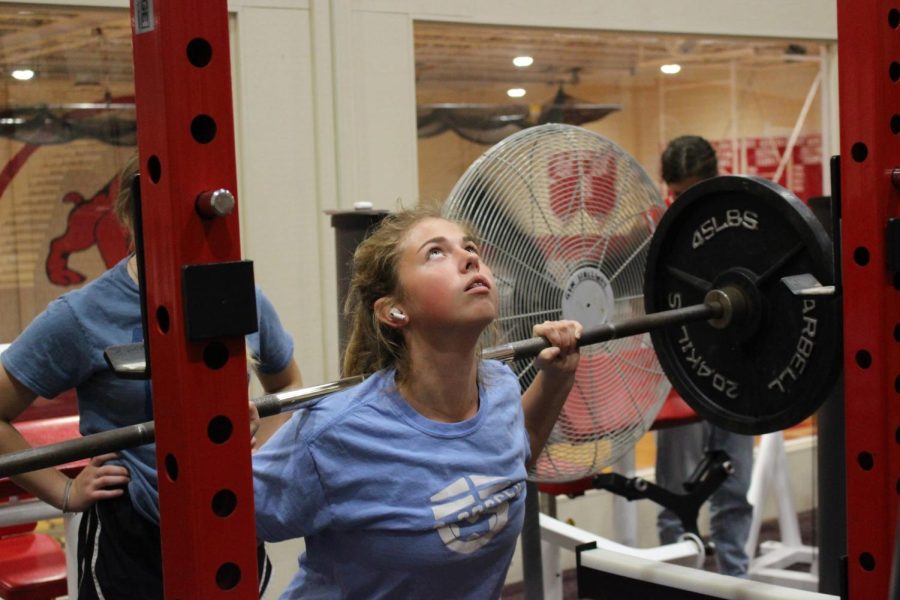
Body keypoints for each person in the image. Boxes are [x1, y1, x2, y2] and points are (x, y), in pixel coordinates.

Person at [0, 152, 302, 599]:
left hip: (229, 516)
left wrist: (258, 455)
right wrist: (63, 491)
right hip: (129, 536)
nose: (178, 227)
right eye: (160, 212)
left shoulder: (240, 298)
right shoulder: (81, 315)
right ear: (127, 215)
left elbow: (287, 387)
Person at [252, 207, 582, 598]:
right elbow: (223, 517)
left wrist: (558, 378)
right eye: (436, 253)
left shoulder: (501, 388)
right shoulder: (332, 433)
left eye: (470, 247)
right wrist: (226, 448)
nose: (470, 258)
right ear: (394, 309)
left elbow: (508, 458)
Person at [655, 135, 755, 577]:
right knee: (673, 493)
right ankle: (680, 583)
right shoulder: (662, 227)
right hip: (685, 367)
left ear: (713, 179)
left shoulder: (741, 220)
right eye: (675, 193)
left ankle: (735, 581)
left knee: (734, 489)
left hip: (739, 368)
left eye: (690, 190)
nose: (681, 201)